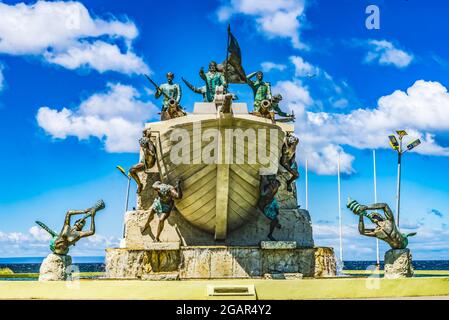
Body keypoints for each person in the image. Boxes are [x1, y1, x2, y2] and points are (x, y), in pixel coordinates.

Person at [36, 200, 106, 255]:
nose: (80, 223)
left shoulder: (79, 234)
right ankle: (56, 241)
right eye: (79, 221)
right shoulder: (67, 227)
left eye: (82, 223)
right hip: (55, 246)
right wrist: (84, 211)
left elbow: (91, 231)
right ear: (75, 222)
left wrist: (92, 217)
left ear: (82, 226)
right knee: (56, 237)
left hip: (63, 250)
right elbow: (69, 213)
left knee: (60, 238)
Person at [347, 199, 417, 249]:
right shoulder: (376, 232)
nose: (373, 218)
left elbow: (384, 206)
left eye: (375, 216)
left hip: (403, 243)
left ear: (380, 216)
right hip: (394, 247)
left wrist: (367, 207)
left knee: (404, 236)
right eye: (372, 217)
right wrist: (361, 216)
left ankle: (406, 235)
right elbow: (362, 231)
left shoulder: (389, 221)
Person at [257, 175, 282, 241]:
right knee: (274, 219)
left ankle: (275, 223)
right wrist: (262, 183)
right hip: (265, 205)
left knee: (277, 213)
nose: (271, 182)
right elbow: (262, 194)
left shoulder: (276, 183)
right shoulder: (268, 187)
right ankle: (270, 234)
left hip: (272, 202)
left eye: (272, 180)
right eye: (270, 180)